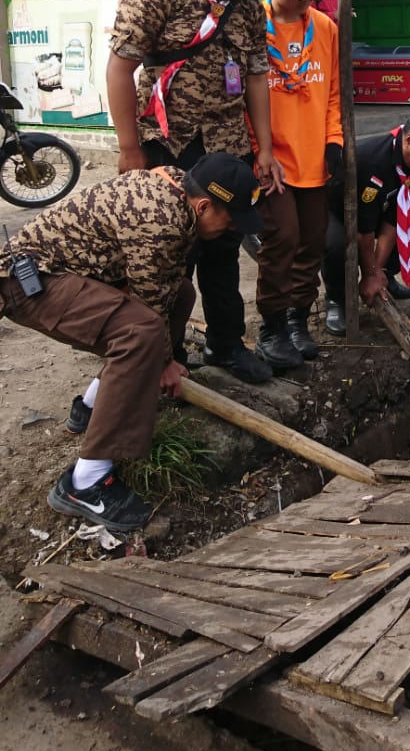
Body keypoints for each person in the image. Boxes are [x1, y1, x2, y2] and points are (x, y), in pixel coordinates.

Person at [1, 154, 263, 534]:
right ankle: (86, 481)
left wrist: (162, 364)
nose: (232, 229)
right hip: (29, 284)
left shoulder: (178, 188)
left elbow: (164, 290)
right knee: (139, 333)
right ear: (204, 205)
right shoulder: (161, 220)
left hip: (63, 271)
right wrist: (162, 365)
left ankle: (91, 406)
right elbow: (148, 309)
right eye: (231, 219)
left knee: (183, 295)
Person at [106, 0, 286, 385]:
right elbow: (119, 71)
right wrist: (129, 150)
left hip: (226, 143)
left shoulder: (248, 6)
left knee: (224, 246)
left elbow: (255, 77)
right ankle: (160, 352)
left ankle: (225, 345)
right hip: (167, 143)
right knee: (167, 253)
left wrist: (263, 148)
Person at [254, 0, 342, 368]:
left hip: (314, 159)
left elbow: (334, 96)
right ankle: (271, 328)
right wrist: (257, 153)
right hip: (270, 161)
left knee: (313, 241)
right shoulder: (251, 26)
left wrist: (334, 141)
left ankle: (297, 322)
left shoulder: (325, 28)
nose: (307, 1)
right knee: (282, 239)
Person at [321, 106, 410, 334]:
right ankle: (337, 299)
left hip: (380, 209)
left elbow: (397, 218)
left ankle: (386, 277)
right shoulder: (369, 159)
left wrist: (376, 270)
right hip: (337, 210)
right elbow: (364, 230)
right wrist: (369, 272)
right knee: (336, 245)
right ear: (409, 140)